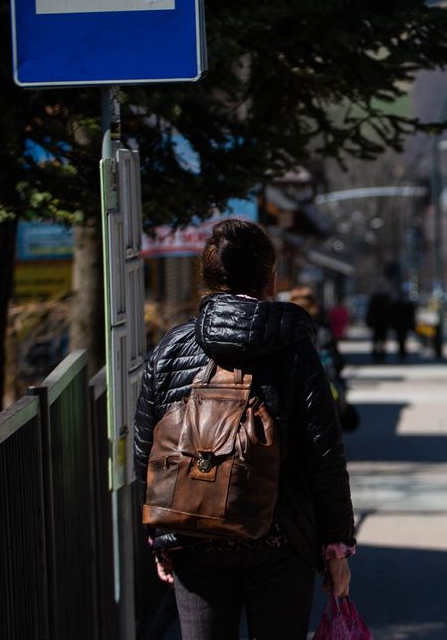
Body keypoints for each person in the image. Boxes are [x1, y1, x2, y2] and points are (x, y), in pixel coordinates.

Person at [134, 220, 355, 640]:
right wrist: (336, 547)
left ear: (207, 279)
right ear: (271, 279)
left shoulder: (170, 350)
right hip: (282, 540)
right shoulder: (294, 349)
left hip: (195, 533)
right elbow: (324, 455)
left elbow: (145, 455)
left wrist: (160, 535)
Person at [365, 289, 391, 363]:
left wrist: (369, 323)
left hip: (377, 325)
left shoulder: (374, 304)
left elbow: (370, 315)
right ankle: (380, 354)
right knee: (381, 340)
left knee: (377, 340)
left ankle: (378, 354)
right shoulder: (386, 304)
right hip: (382, 325)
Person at [389, 293, 416, 361]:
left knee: (402, 339)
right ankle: (402, 353)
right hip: (400, 325)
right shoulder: (398, 305)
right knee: (401, 339)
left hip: (404, 325)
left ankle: (402, 353)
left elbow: (411, 316)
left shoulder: (407, 305)